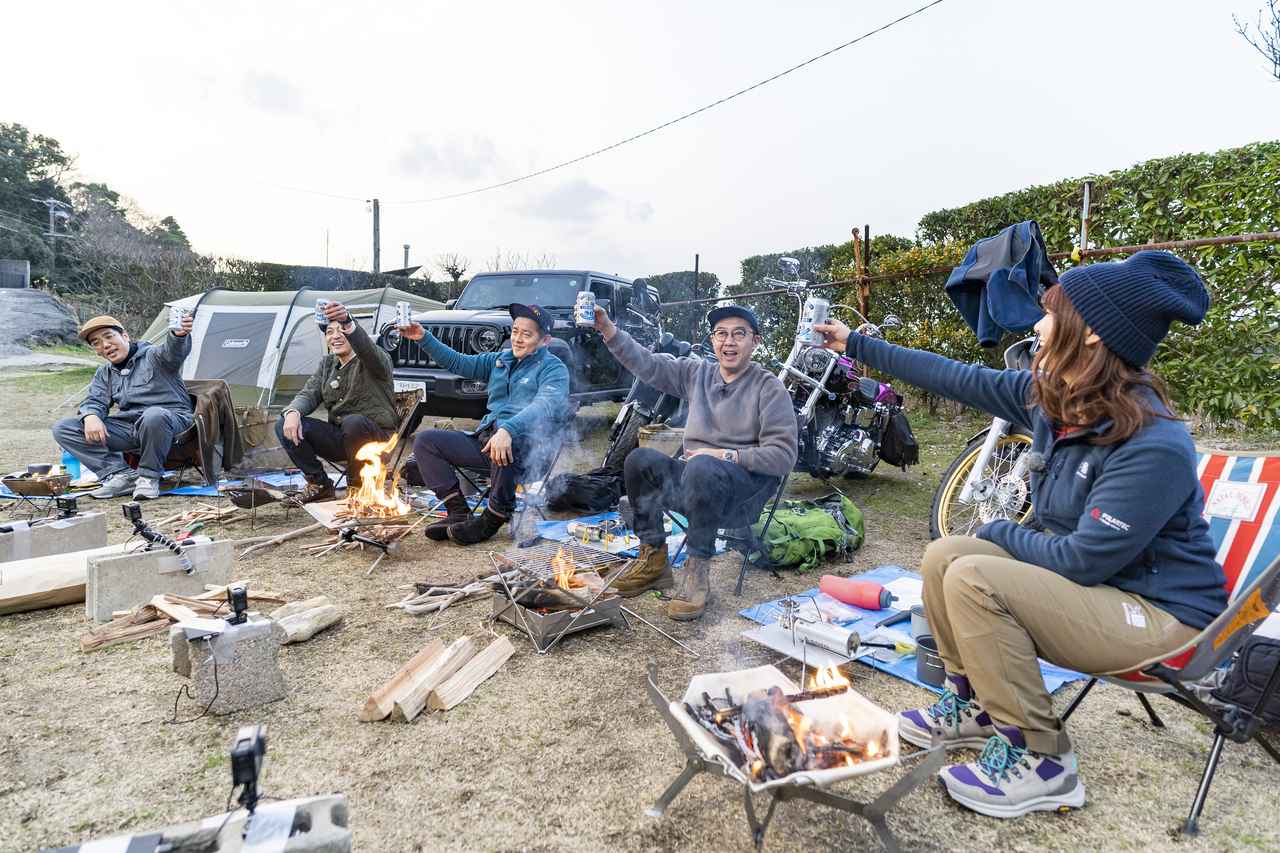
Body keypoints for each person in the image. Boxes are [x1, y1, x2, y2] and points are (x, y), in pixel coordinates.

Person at [813, 250, 1226, 819]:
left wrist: (1002, 532)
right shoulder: (1055, 401)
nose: (1037, 324)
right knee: (945, 554)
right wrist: (855, 345)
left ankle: (1045, 762)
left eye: (1052, 313)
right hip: (1101, 592)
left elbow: (1082, 561)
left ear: (1091, 336)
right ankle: (975, 705)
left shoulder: (1151, 442)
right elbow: (954, 376)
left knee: (976, 575)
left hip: (1163, 620)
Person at [592, 303, 797, 620]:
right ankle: (654, 560)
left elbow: (784, 456)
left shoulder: (769, 388)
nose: (729, 342)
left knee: (702, 466)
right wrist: (608, 330)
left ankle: (697, 571)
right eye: (721, 334)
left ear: (755, 341)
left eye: (739, 334)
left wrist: (727, 455)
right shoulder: (697, 373)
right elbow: (648, 365)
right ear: (713, 340)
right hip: (696, 488)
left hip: (741, 496)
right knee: (638, 461)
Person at [401, 304, 569, 545]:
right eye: (515, 331)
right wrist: (423, 338)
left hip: (531, 453)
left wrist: (508, 429)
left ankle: (494, 516)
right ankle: (457, 511)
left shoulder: (554, 369)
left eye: (526, 334)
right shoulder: (501, 360)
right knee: (426, 441)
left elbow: (545, 404)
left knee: (508, 437)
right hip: (489, 443)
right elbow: (459, 363)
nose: (518, 339)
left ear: (545, 340)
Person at [52, 313, 195, 500]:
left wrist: (179, 335)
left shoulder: (154, 356)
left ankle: (149, 477)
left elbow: (174, 352)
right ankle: (122, 475)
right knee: (64, 428)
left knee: (154, 415)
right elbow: (94, 401)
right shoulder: (105, 373)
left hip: (170, 420)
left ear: (125, 336)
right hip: (130, 427)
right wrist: (90, 416)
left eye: (109, 336)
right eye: (96, 342)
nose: (105, 345)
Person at [277, 300, 399, 503]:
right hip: (342, 438)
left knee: (354, 422)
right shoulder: (327, 365)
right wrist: (293, 413)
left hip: (375, 438)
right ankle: (320, 484)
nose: (335, 336)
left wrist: (348, 322)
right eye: (329, 332)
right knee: (284, 423)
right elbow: (309, 393)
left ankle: (359, 489)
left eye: (341, 330)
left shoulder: (374, 360)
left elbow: (369, 351)